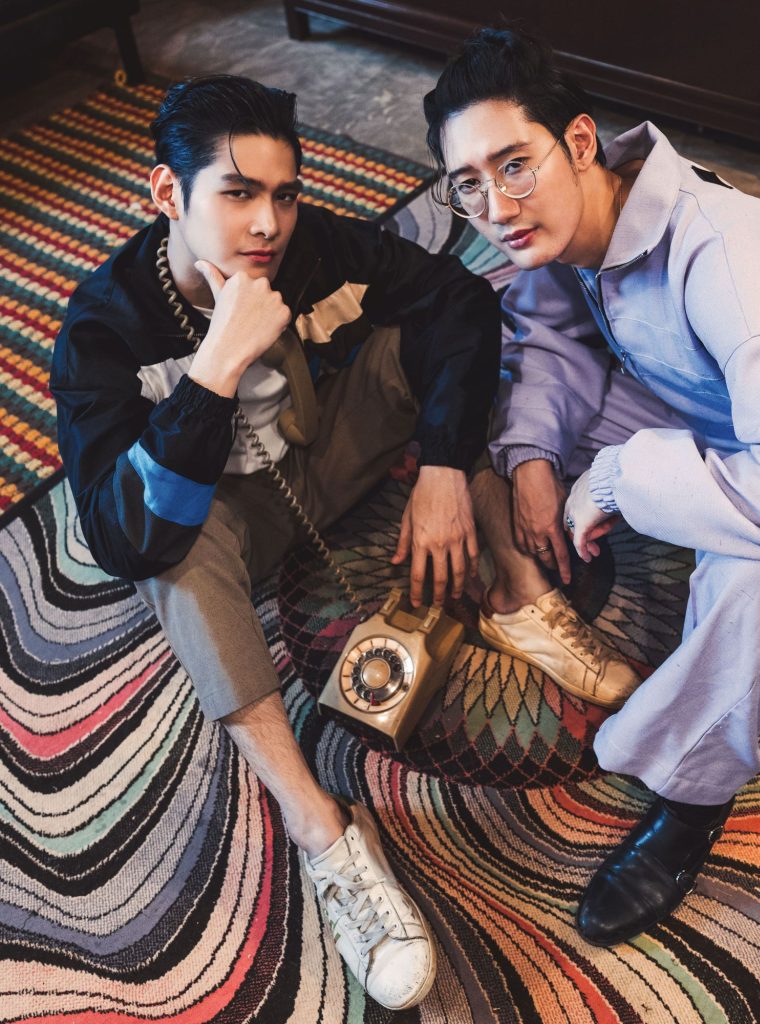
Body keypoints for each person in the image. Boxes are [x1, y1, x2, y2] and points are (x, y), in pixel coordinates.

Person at [424, 28, 760, 948]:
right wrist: (538, 457)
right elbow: (553, 334)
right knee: (496, 413)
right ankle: (547, 540)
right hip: (697, 397)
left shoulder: (724, 258)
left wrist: (622, 477)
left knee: (758, 577)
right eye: (468, 183)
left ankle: (690, 795)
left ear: (579, 142)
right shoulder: (577, 220)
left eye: (514, 165)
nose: (497, 207)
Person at [50, 74, 504, 1010]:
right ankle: (321, 829)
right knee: (167, 550)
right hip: (227, 516)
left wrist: (444, 466)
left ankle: (513, 569)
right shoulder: (102, 329)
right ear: (167, 193)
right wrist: (215, 365)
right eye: (237, 193)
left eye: (284, 194)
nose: (268, 224)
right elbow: (120, 537)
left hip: (323, 450)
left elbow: (459, 299)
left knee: (430, 344)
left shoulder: (310, 244)